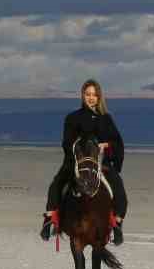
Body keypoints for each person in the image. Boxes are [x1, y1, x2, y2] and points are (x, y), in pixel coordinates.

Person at [40, 79, 128, 243]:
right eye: (88, 94)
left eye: (94, 95)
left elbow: (118, 142)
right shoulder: (73, 118)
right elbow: (66, 142)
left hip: (101, 163)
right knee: (57, 183)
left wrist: (105, 145)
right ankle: (50, 220)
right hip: (77, 162)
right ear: (82, 96)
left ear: (99, 97)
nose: (91, 98)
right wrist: (79, 147)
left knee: (118, 187)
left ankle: (117, 224)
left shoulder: (106, 119)